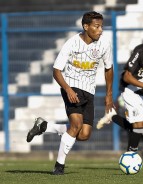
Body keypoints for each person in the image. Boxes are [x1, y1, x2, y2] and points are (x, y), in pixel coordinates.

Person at [26, 11, 114, 175]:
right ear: (86, 27)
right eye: (97, 26)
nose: (100, 30)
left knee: (84, 134)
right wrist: (68, 89)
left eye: (101, 26)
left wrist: (109, 95)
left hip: (89, 90)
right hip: (72, 87)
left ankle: (44, 126)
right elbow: (56, 71)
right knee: (76, 125)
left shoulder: (105, 44)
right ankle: (59, 166)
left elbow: (109, 69)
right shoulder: (72, 43)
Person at [96, 24, 143, 154]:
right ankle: (130, 156)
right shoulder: (140, 51)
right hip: (130, 89)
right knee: (137, 128)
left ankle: (113, 116)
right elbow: (127, 76)